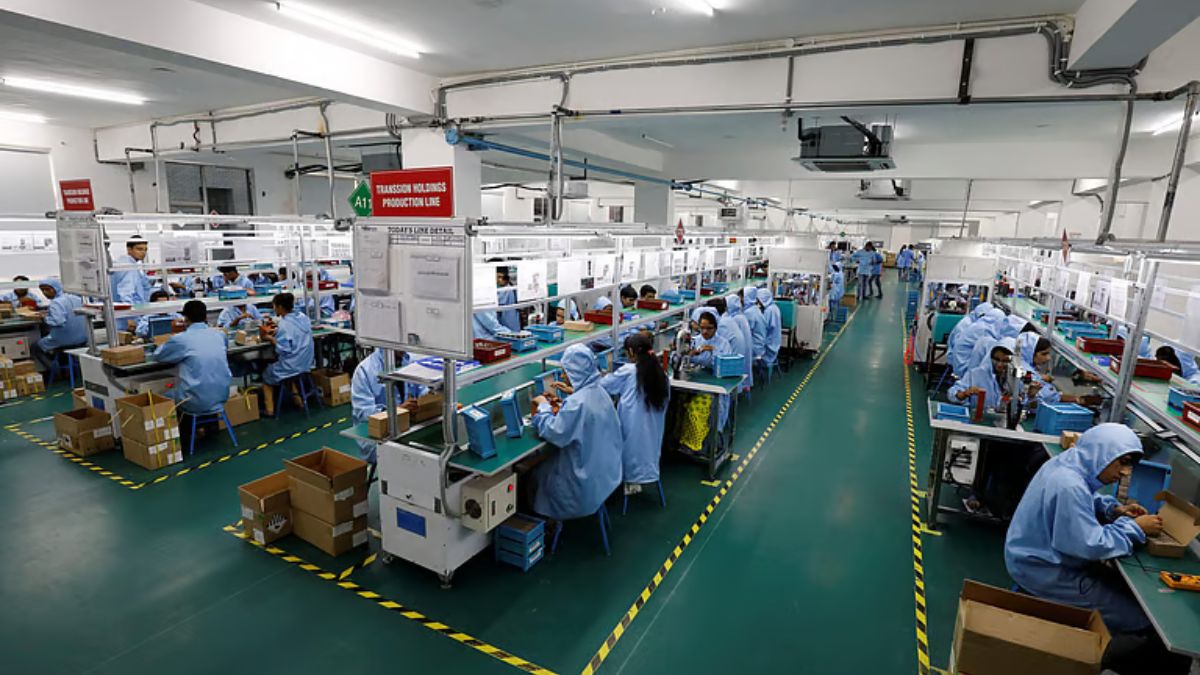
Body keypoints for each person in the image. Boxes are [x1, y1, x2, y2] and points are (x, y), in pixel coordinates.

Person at [1004, 424, 1192, 675]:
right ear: (1100, 453)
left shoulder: (1068, 464)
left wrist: (1111, 509)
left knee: (1122, 591)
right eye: (1121, 463)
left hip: (1032, 559)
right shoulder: (1069, 485)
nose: (1124, 473)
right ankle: (1099, 663)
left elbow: (1083, 500)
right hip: (1049, 574)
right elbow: (1091, 544)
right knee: (1147, 623)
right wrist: (1135, 528)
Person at [529, 344, 623, 521]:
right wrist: (572, 393)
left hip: (583, 483)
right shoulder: (599, 391)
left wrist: (542, 405)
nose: (564, 376)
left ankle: (542, 521)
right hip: (605, 474)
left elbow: (553, 432)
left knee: (536, 475)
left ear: (577, 372)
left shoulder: (577, 404)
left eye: (566, 371)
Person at [595, 333, 669, 491]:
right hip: (653, 434)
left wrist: (599, 376)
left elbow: (604, 386)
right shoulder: (660, 373)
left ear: (631, 352)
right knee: (646, 450)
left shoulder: (629, 370)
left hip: (631, 431)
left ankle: (619, 482)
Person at [152, 300, 232, 417]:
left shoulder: (181, 339)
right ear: (205, 317)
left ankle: (177, 432)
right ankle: (203, 428)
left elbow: (159, 356)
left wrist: (166, 342)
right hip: (221, 397)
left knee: (160, 396)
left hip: (193, 402)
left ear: (185, 318)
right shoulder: (220, 335)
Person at [350, 348, 424, 464]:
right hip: (377, 437)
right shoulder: (364, 371)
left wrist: (427, 398)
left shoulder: (410, 360)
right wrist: (396, 412)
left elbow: (423, 389)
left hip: (409, 427)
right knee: (414, 458)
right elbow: (363, 413)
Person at [261, 292, 315, 414]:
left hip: (293, 366)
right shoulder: (303, 317)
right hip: (307, 363)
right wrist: (279, 331)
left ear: (279, 307)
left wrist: (271, 339)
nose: (273, 308)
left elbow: (284, 350)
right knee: (289, 373)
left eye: (274, 306)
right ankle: (298, 400)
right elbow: (295, 334)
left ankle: (269, 410)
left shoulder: (284, 324)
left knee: (266, 374)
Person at [691, 308, 734, 429]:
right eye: (702, 327)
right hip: (697, 383)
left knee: (714, 410)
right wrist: (689, 354)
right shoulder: (695, 341)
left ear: (715, 328)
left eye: (709, 328)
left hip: (716, 387)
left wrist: (713, 351)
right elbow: (687, 359)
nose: (704, 331)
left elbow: (725, 368)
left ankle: (714, 436)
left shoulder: (723, 344)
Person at [32, 279, 87, 372]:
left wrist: (44, 318)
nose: (45, 293)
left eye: (48, 289)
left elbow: (58, 321)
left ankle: (55, 371)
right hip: (83, 338)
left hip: (65, 339)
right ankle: (68, 368)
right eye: (42, 290)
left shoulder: (55, 303)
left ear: (56, 288)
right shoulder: (77, 298)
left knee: (35, 347)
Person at [949, 337, 1018, 411]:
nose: (999, 365)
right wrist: (965, 393)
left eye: (1005, 361)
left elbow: (1025, 401)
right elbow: (952, 394)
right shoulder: (976, 374)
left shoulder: (1016, 378)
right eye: (996, 359)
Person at [110, 235, 152, 305]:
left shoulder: (131, 264)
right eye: (139, 249)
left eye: (145, 249)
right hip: (129, 312)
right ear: (129, 249)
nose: (143, 253)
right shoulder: (128, 267)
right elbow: (125, 294)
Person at [725, 294, 754, 390]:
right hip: (746, 348)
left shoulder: (736, 319)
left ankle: (740, 388)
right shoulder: (741, 316)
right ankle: (744, 385)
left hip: (740, 351)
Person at [757, 287, 781, 368]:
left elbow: (763, 328)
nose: (758, 303)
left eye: (759, 300)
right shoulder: (774, 307)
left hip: (769, 347)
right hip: (774, 342)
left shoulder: (769, 311)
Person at [744, 287, 767, 363]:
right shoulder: (755, 309)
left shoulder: (749, 313)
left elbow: (745, 333)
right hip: (760, 344)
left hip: (755, 348)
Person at [496, 267, 520, 332]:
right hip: (510, 326)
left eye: (500, 277)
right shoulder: (508, 286)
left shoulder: (505, 290)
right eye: (497, 277)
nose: (499, 280)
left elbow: (497, 303)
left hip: (508, 327)